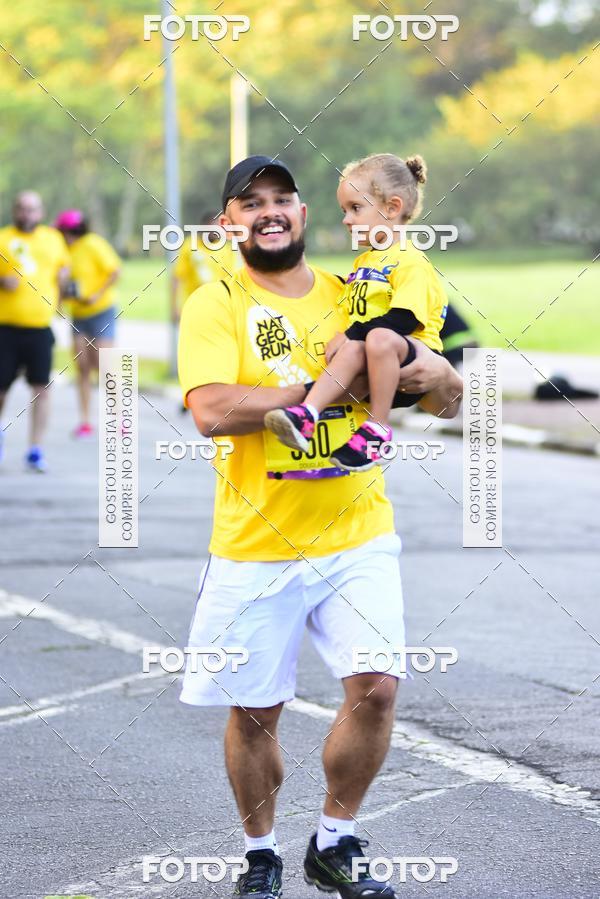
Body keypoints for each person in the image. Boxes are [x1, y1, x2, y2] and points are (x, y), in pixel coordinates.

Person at [178, 156, 463, 899]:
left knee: (376, 688)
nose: (269, 212)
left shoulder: (361, 287)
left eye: (283, 200)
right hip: (254, 542)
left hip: (357, 531)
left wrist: (440, 378)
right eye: (250, 203)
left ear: (303, 216)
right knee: (255, 711)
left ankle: (335, 839)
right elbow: (210, 410)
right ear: (229, 224)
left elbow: (445, 395)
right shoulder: (216, 304)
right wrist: (310, 392)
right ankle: (261, 852)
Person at [265, 153, 448, 472]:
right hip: (372, 357)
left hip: (410, 362)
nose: (346, 219)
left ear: (392, 208)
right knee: (358, 345)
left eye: (356, 208)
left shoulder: (410, 261)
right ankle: (307, 416)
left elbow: (403, 320)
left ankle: (377, 428)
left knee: (375, 337)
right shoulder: (364, 263)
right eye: (344, 210)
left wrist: (349, 335)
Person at [0, 191, 70, 471]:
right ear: (14, 211)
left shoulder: (52, 239)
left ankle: (35, 448)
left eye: (32, 209)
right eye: (22, 209)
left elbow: (63, 271)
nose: (26, 214)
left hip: (40, 329)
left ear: (40, 213)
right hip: (6, 329)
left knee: (41, 389)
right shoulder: (3, 238)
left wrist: (61, 299)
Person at [55, 210, 121, 438]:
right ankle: (85, 421)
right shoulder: (64, 251)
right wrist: (60, 301)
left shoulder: (93, 243)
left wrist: (96, 294)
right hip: (79, 314)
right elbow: (61, 279)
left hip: (101, 311)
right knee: (82, 365)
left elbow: (115, 271)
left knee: (105, 365)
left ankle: (118, 418)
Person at [171, 209, 241, 320]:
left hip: (219, 308)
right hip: (193, 307)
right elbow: (177, 277)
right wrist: (174, 308)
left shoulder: (227, 250)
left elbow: (231, 281)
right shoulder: (190, 245)